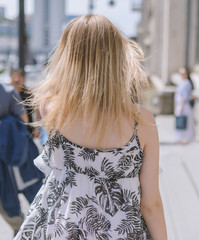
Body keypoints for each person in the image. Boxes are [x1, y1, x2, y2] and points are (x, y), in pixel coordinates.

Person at [14, 14, 167, 240]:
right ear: (118, 58)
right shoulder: (141, 121)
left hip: (60, 228)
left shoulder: (50, 107)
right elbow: (150, 204)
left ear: (67, 56)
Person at [0, 83, 44, 237]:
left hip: (7, 160)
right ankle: (37, 229)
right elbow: (24, 119)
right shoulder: (8, 90)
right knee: (37, 198)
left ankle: (19, 229)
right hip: (19, 151)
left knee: (6, 200)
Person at [10, 69, 41, 138]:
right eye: (14, 76)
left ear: (23, 78)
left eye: (19, 76)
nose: (16, 79)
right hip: (10, 131)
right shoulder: (8, 93)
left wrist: (37, 127)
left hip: (27, 132)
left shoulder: (29, 93)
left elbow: (36, 110)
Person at [174, 67, 195, 143]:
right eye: (181, 74)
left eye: (183, 74)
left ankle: (186, 138)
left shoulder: (186, 83)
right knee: (181, 121)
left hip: (184, 105)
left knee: (185, 121)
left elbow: (184, 96)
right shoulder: (183, 82)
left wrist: (181, 106)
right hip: (180, 104)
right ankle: (181, 137)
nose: (182, 75)